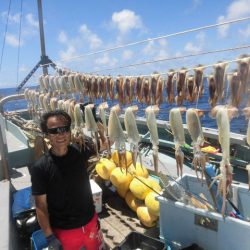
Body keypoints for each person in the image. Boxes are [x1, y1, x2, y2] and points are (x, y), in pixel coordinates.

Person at [31, 110, 106, 250]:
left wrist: (93, 118)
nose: (61, 134)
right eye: (54, 131)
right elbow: (40, 205)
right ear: (46, 134)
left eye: (65, 129)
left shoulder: (80, 150)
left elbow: (106, 143)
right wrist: (49, 236)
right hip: (64, 231)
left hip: (90, 222)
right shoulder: (40, 168)